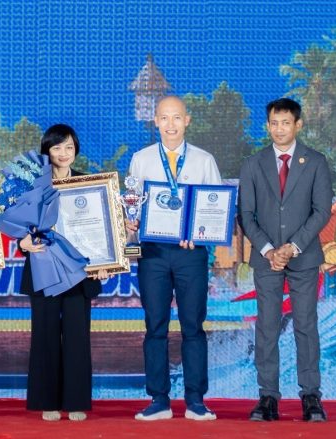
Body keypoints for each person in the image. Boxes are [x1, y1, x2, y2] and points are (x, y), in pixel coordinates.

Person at [126, 96, 221, 421]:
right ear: (155, 121)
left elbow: (216, 208)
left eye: (177, 117)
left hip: (190, 253)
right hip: (153, 253)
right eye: (164, 118)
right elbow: (132, 203)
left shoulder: (204, 160)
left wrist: (200, 232)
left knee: (193, 325)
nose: (171, 124)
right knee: (155, 326)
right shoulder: (141, 159)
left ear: (187, 120)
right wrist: (131, 220)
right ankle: (159, 399)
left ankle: (195, 400)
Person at [238, 98, 332, 422]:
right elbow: (246, 214)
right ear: (267, 126)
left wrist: (292, 247)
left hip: (304, 258)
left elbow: (322, 212)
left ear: (298, 125)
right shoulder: (253, 164)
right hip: (266, 259)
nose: (279, 129)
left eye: (286, 123)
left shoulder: (316, 162)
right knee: (267, 326)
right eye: (274, 123)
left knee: (305, 325)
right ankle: (268, 397)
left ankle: (311, 396)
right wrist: (268, 250)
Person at [18, 124, 109, 422]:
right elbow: (19, 226)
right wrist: (22, 242)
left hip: (79, 271)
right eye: (57, 147)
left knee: (77, 336)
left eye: (69, 147)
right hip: (44, 267)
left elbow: (101, 229)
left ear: (76, 150)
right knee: (44, 334)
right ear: (47, 151)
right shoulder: (33, 185)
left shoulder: (89, 184)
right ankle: (48, 401)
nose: (63, 153)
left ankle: (76, 400)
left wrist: (104, 261)